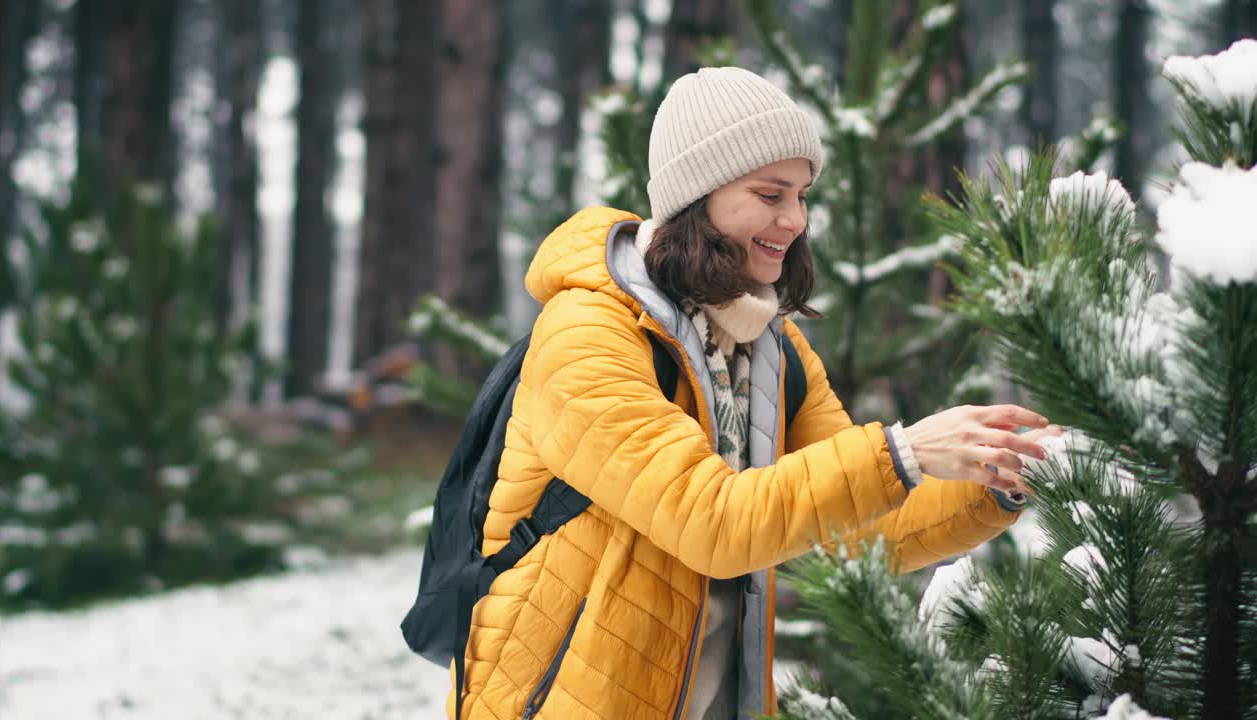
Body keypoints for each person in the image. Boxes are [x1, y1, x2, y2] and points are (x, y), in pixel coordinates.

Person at [453, 67, 1060, 720]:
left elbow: (863, 522)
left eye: (802, 195)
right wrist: (903, 451)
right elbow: (708, 521)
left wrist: (998, 474)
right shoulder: (588, 334)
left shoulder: (773, 351)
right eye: (771, 194)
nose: (795, 220)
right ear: (698, 195)